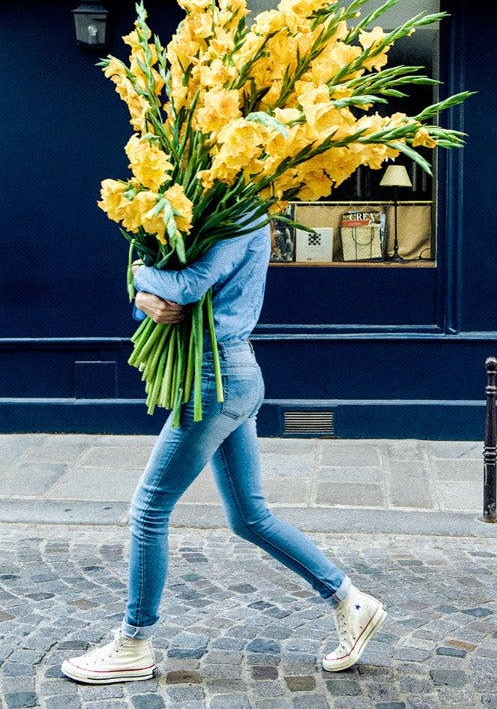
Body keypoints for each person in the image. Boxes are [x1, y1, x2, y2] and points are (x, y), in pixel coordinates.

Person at [61, 221, 386, 685]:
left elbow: (190, 286)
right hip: (226, 373)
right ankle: (351, 601)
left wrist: (138, 277)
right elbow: (168, 303)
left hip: (218, 378)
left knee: (149, 510)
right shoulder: (214, 203)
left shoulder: (242, 215)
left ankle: (133, 644)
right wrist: (143, 299)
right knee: (249, 517)